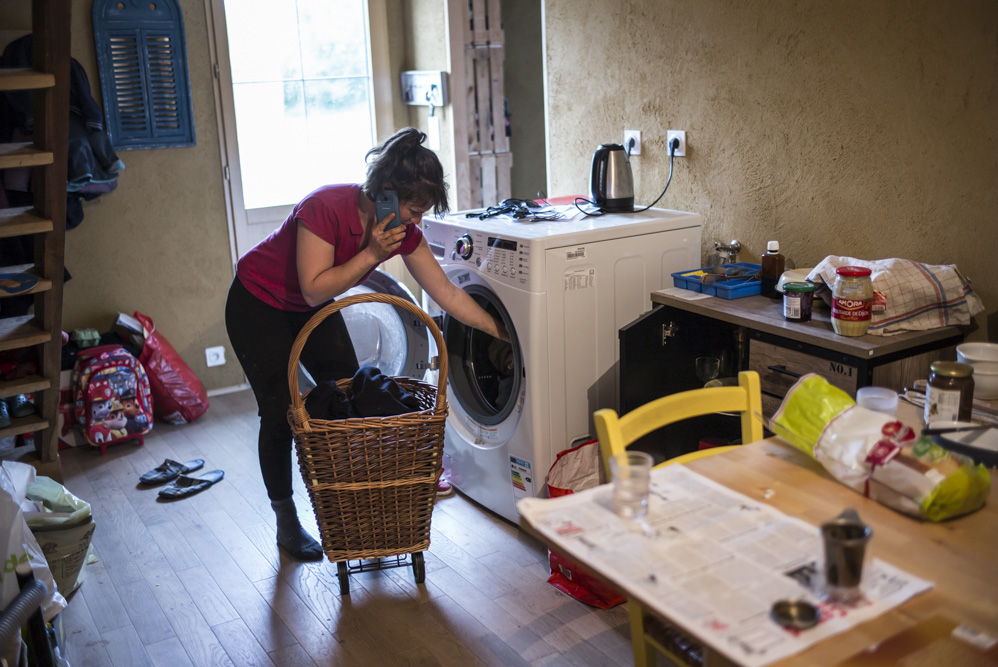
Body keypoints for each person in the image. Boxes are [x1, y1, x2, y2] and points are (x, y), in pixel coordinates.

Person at [225, 128, 507, 561]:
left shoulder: (400, 230)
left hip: (307, 306)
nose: (415, 221)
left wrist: (500, 331)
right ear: (387, 192)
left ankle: (361, 508)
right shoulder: (325, 208)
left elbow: (447, 294)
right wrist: (373, 252)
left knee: (355, 393)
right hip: (257, 303)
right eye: (414, 210)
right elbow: (316, 289)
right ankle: (286, 522)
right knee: (281, 412)